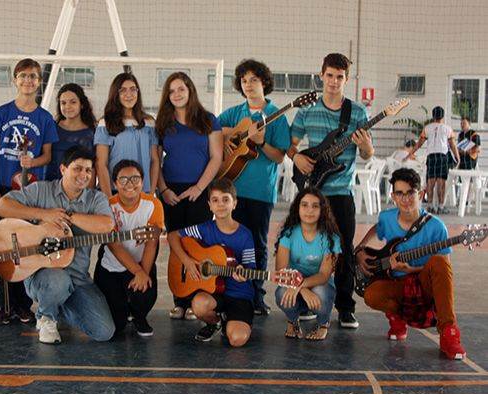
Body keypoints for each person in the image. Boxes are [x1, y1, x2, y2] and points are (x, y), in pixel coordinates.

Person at [0, 146, 115, 344]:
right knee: (57, 280)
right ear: (63, 169)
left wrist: (69, 217)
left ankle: (59, 304)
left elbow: (107, 226)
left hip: (78, 278)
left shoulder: (96, 198)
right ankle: (46, 317)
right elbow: (1, 207)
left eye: (88, 170)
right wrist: (44, 214)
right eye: (77, 168)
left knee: (104, 331)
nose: (83, 175)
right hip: (43, 274)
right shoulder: (41, 190)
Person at [287, 53, 374, 329]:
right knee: (306, 250)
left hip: (341, 193)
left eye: (340, 77)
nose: (334, 81)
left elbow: (367, 154)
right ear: (321, 76)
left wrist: (365, 146)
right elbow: (290, 144)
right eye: (330, 75)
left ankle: (345, 308)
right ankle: (305, 302)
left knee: (344, 250)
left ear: (346, 79)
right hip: (313, 193)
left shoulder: (357, 112)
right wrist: (297, 158)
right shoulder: (307, 110)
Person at [356, 168, 465, 360]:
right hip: (397, 283)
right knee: (372, 295)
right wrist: (360, 248)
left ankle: (449, 333)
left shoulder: (437, 227)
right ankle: (397, 318)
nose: (405, 199)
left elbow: (444, 271)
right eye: (400, 193)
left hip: (424, 283)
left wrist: (411, 269)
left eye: (410, 193)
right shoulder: (386, 218)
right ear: (393, 197)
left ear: (421, 194)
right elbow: (377, 228)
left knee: (439, 261)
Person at [0, 58, 59, 325]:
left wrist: (33, 162)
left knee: (27, 247)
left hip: (30, 193)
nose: (28, 80)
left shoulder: (45, 118)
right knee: (2, 246)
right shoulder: (1, 113)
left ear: (39, 82)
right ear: (15, 80)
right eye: (23, 75)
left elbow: (48, 156)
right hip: (5, 191)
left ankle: (24, 304)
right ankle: (5, 305)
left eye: (33, 76)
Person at [218, 59, 290, 316]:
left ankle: (256, 295)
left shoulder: (276, 116)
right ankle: (232, 293)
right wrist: (229, 137)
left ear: (264, 83)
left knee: (258, 244)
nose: (248, 85)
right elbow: (214, 130)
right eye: (244, 80)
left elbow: (279, 156)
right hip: (232, 192)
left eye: (254, 80)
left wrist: (260, 142)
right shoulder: (234, 113)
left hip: (260, 192)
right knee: (232, 243)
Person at [156, 71, 223, 320]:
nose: (176, 94)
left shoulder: (208, 120)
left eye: (181, 89)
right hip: (172, 192)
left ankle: (195, 297)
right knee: (177, 245)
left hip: (199, 191)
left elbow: (216, 157)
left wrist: (199, 188)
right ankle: (180, 300)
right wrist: (164, 190)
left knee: (197, 246)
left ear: (190, 90)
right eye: (171, 91)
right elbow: (156, 161)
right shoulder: (164, 123)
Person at [167, 178, 256, 347]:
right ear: (209, 205)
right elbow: (173, 236)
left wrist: (243, 273)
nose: (220, 204)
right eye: (215, 200)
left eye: (225, 200)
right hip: (213, 292)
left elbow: (250, 268)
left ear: (234, 203)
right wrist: (187, 261)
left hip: (239, 295)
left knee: (237, 339)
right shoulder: (204, 229)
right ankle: (215, 322)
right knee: (199, 305)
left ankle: (232, 320)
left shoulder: (245, 235)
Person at [94, 159, 164, 337]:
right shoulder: (107, 206)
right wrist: (137, 272)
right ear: (115, 183)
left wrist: (143, 274)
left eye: (135, 178)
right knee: (116, 325)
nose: (130, 184)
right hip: (112, 266)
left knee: (144, 293)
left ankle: (140, 316)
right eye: (123, 179)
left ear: (143, 181)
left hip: (141, 262)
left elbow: (152, 243)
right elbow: (114, 246)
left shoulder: (153, 204)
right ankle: (124, 312)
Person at [275, 187, 341, 341]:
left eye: (315, 206)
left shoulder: (330, 238)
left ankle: (323, 323)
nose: (309, 210)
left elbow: (324, 275)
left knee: (321, 293)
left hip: (320, 284)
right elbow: (280, 271)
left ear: (322, 210)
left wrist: (300, 286)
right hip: (293, 282)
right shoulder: (288, 234)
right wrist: (301, 289)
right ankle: (292, 321)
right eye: (304, 205)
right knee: (281, 293)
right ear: (297, 208)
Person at [95, 73, 160, 196]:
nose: (129, 94)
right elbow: (101, 163)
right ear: (116, 94)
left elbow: (155, 160)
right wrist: (109, 198)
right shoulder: (105, 123)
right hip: (115, 192)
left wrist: (151, 194)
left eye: (133, 89)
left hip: (143, 192)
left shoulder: (149, 123)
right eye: (123, 90)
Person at [405, 106, 459, 214]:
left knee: (430, 182)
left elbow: (419, 144)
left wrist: (411, 153)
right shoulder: (447, 129)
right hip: (442, 157)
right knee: (441, 183)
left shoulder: (427, 128)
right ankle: (440, 207)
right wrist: (458, 157)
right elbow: (453, 145)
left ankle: (430, 206)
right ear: (442, 116)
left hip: (431, 157)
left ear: (433, 116)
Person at [46, 83, 96, 182]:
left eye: (73, 102)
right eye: (63, 103)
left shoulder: (91, 133)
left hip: (78, 187)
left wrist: (88, 191)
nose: (67, 106)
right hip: (51, 185)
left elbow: (92, 168)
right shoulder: (52, 128)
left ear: (82, 104)